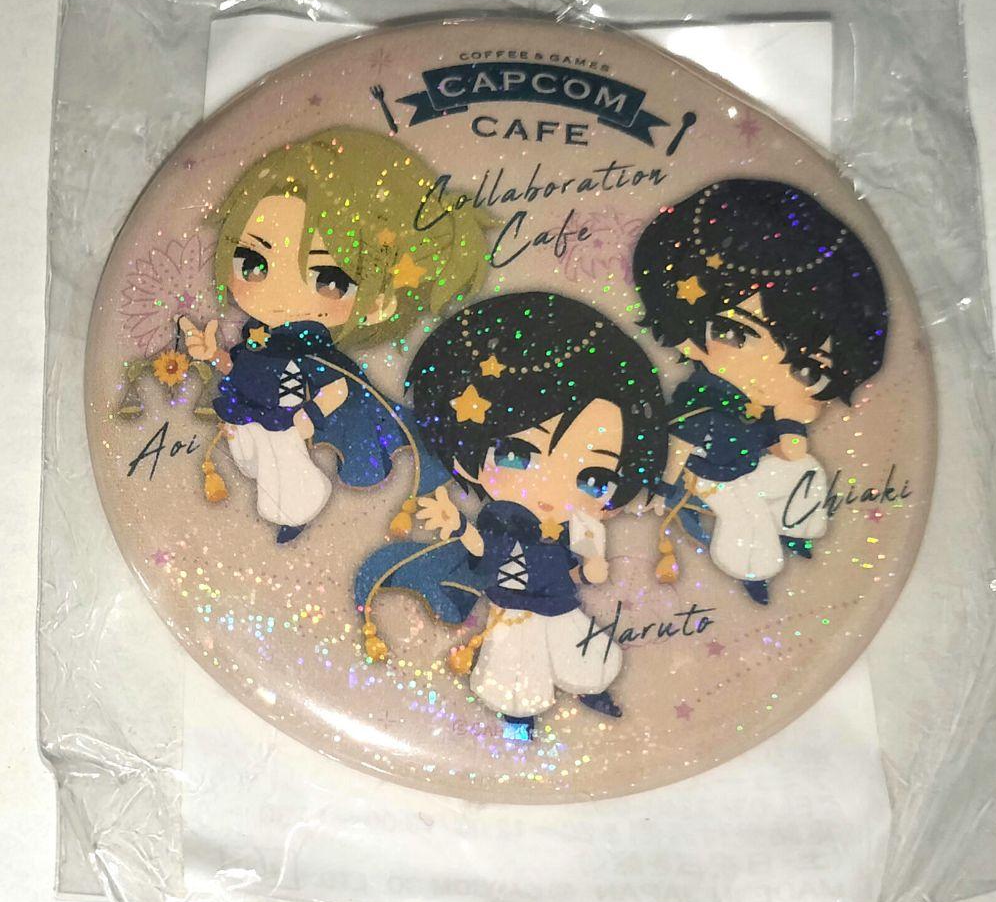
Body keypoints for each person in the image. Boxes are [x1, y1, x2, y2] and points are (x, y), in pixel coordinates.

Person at [353, 292, 668, 738]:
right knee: (512, 666)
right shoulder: (501, 521)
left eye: (594, 477)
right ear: (467, 454)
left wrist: (594, 564)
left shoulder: (573, 527)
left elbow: (586, 566)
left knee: (583, 650)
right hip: (510, 608)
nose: (550, 487)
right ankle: (518, 718)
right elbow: (482, 548)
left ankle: (590, 687)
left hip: (561, 604)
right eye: (518, 453)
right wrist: (457, 524)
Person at [179, 128, 491, 542]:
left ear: (380, 300)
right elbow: (239, 364)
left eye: (328, 278)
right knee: (249, 455)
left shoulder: (314, 351)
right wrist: (214, 355)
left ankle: (298, 505)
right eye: (254, 262)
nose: (280, 293)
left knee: (281, 463)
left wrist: (309, 417)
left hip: (285, 419)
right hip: (248, 412)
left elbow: (338, 387)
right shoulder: (260, 336)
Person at [632, 178, 889, 603]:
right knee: (747, 517)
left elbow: (790, 425)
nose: (768, 372)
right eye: (735, 332)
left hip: (752, 462)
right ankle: (756, 569)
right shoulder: (703, 398)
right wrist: (664, 487)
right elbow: (679, 441)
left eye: (807, 368)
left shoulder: (762, 404)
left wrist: (791, 429)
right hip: (709, 475)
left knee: (807, 472)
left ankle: (797, 531)